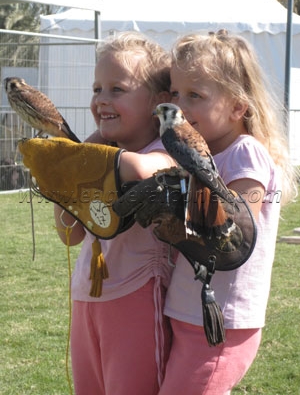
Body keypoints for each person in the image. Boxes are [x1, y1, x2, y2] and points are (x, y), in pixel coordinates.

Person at [156, 30, 298, 395]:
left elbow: (235, 228)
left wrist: (172, 213)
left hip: (225, 320)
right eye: (175, 93)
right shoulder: (197, 152)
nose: (180, 106)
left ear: (237, 107)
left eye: (195, 95)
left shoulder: (244, 152)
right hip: (186, 311)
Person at [53, 32, 175, 395]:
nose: (101, 100)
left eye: (117, 89)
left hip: (137, 297)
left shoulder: (164, 154)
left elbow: (140, 171)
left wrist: (82, 154)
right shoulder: (104, 153)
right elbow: (69, 234)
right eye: (96, 89)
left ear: (159, 101)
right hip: (87, 297)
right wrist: (66, 178)